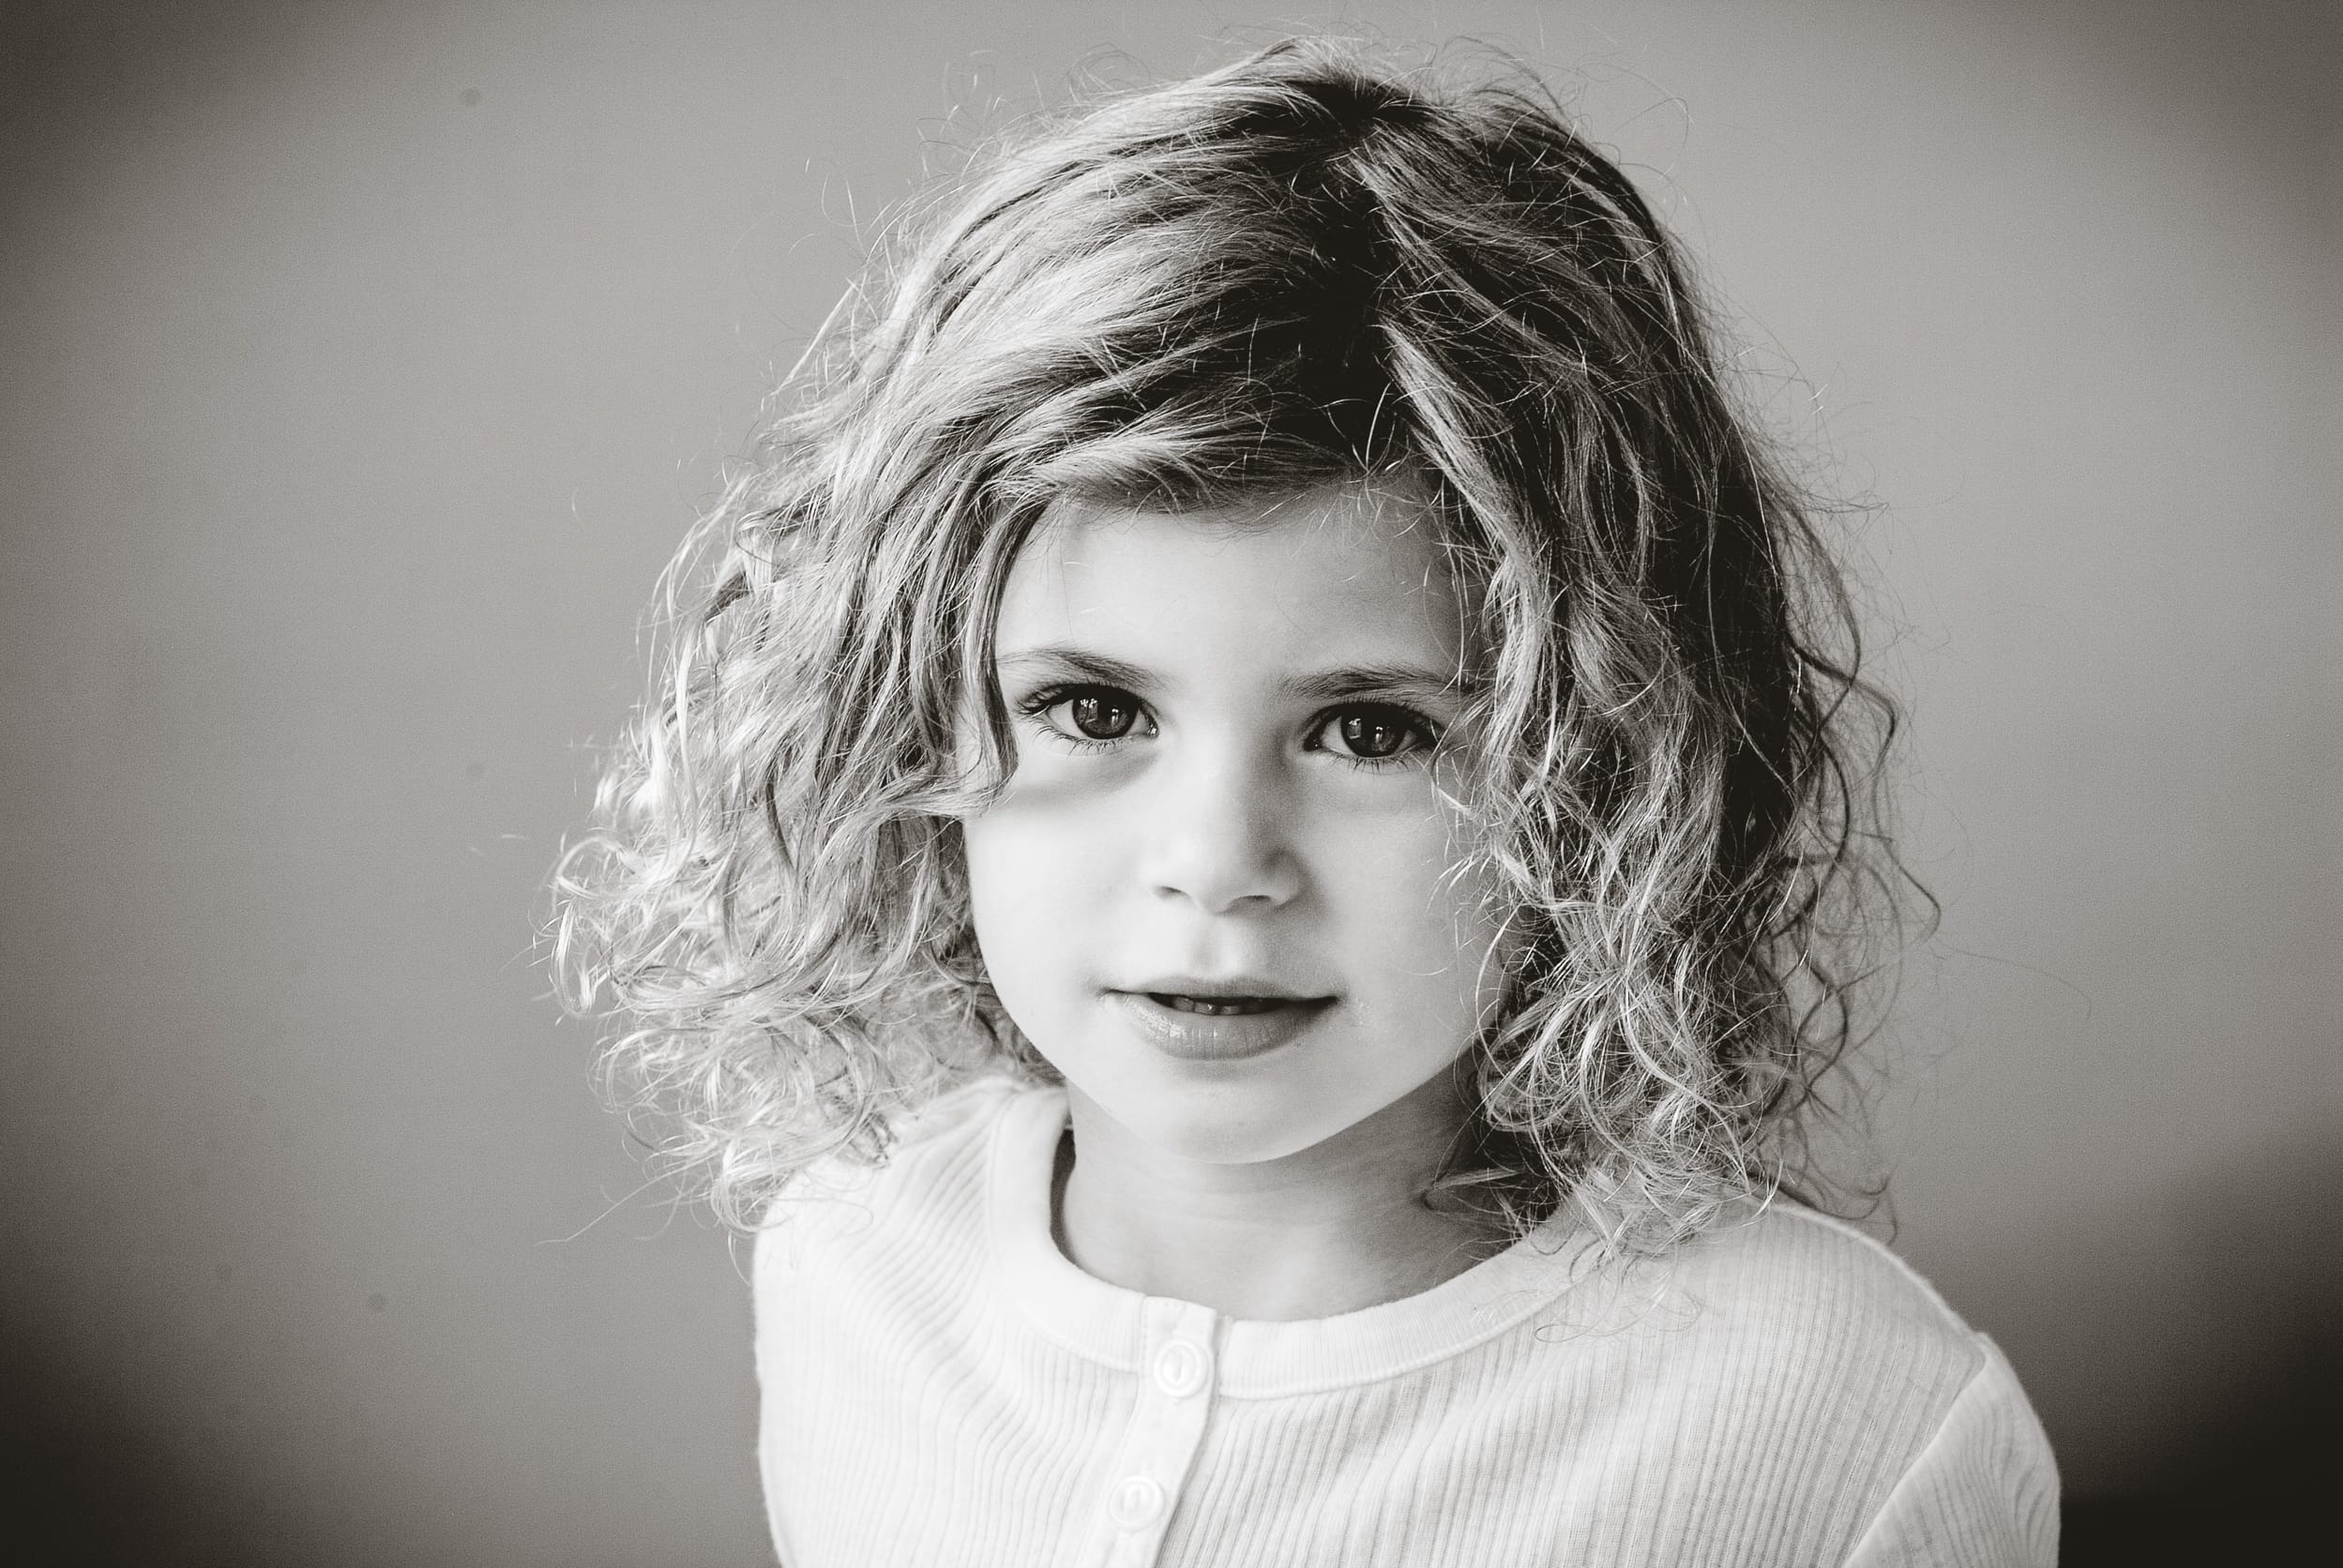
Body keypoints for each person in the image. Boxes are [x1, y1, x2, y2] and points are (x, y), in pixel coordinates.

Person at [555, 38, 2058, 1567]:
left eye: (1368, 730)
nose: (1216, 866)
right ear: (896, 721)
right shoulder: (853, 1255)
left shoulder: (1849, 1427)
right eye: (1094, 711)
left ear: (1606, 780)